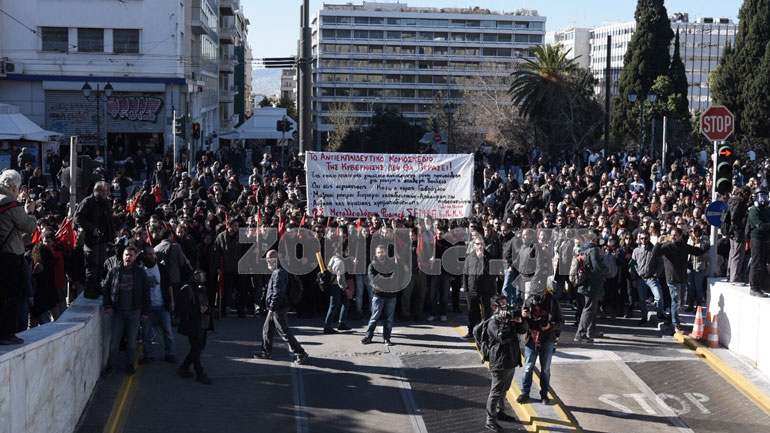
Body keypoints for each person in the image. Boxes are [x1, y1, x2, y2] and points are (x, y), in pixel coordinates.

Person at [0, 169, 38, 345]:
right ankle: (7, 333)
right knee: (16, 293)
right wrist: (30, 212)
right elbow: (28, 226)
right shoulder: (10, 204)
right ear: (14, 188)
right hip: (10, 256)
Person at [102, 246, 151, 376]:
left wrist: (145, 312)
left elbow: (146, 293)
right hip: (117, 312)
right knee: (114, 341)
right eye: (126, 255)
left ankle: (130, 364)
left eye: (131, 255)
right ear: (122, 256)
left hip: (134, 312)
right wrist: (107, 305)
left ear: (135, 257)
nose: (128, 257)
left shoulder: (141, 273)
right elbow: (106, 289)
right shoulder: (114, 271)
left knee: (131, 341)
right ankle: (111, 365)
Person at [484, 294, 529, 432]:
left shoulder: (510, 319)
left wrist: (519, 320)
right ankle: (490, 420)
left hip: (511, 360)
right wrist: (505, 321)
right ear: (495, 308)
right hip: (499, 362)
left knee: (504, 390)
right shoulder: (492, 322)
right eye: (504, 306)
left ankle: (500, 412)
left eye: (507, 304)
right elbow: (501, 337)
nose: (507, 308)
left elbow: (523, 330)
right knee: (496, 392)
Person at [255, 249, 309, 364]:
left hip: (278, 308)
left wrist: (272, 308)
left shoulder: (279, 273)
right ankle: (266, 352)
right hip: (276, 307)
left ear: (275, 259)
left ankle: (301, 353)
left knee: (284, 332)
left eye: (269, 259)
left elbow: (278, 293)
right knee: (267, 329)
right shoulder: (278, 271)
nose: (267, 261)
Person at [653, 227, 708, 334]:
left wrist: (708, 245)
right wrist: (658, 243)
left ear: (680, 236)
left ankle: (669, 320)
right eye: (672, 235)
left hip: (682, 278)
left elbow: (697, 251)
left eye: (675, 235)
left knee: (682, 302)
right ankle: (676, 324)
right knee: (676, 302)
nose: (673, 237)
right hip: (672, 279)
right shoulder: (667, 246)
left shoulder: (684, 246)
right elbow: (655, 253)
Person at [517, 286, 564, 405]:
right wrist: (523, 315)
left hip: (547, 340)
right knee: (528, 368)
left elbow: (561, 321)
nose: (538, 293)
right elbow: (520, 322)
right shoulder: (528, 300)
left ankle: (544, 394)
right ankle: (525, 393)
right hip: (531, 340)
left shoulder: (552, 301)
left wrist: (550, 326)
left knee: (545, 370)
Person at [74, 181, 115, 299]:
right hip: (90, 239)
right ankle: (89, 290)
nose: (105, 193)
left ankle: (97, 287)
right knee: (92, 265)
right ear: (97, 191)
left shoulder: (106, 203)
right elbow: (77, 218)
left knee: (101, 264)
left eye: (106, 191)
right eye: (103, 191)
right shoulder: (88, 202)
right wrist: (92, 229)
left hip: (102, 239)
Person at [139, 245, 177, 365]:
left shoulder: (161, 268)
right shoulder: (140, 270)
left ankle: (170, 354)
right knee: (146, 333)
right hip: (147, 307)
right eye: (149, 254)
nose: (152, 256)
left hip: (162, 304)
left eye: (153, 254)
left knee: (168, 331)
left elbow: (168, 285)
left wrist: (171, 301)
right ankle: (148, 355)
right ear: (144, 255)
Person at [361, 244, 404, 346]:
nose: (380, 254)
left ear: (385, 252)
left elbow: (395, 276)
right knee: (374, 317)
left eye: (382, 252)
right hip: (378, 295)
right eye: (378, 252)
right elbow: (373, 280)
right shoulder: (372, 265)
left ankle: (387, 338)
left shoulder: (393, 263)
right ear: (376, 253)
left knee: (389, 319)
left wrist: (382, 278)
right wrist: (386, 278)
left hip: (391, 295)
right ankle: (368, 336)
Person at [176, 270, 213, 384]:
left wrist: (207, 309)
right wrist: (198, 309)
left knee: (199, 347)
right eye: (200, 276)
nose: (202, 278)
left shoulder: (202, 289)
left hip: (203, 323)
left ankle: (184, 367)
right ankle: (200, 373)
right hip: (193, 324)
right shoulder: (187, 289)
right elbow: (181, 308)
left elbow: (206, 303)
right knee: (197, 347)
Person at [574, 231, 607, 344]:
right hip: (591, 284)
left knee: (592, 307)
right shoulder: (593, 250)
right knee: (589, 309)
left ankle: (591, 330)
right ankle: (581, 333)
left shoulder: (583, 249)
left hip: (585, 283)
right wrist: (606, 269)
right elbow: (596, 267)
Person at [461, 236, 495, 339]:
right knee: (472, 312)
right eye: (477, 244)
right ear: (474, 245)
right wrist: (465, 288)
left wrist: (482, 259)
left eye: (481, 244)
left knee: (486, 313)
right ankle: (471, 331)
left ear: (484, 245)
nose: (479, 246)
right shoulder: (469, 258)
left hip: (486, 290)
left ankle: (488, 333)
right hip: (472, 290)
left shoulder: (489, 257)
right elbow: (465, 273)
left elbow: (492, 273)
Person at [631, 231, 665, 325]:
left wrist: (655, 275)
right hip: (641, 278)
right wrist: (634, 278)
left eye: (645, 238)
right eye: (642, 238)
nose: (643, 240)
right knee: (642, 300)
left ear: (649, 238)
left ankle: (660, 313)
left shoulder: (654, 249)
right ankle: (644, 317)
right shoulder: (636, 250)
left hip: (651, 278)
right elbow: (633, 265)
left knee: (658, 296)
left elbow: (661, 264)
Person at [747, 188, 770, 297]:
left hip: (766, 239)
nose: (763, 199)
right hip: (757, 239)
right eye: (761, 196)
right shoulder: (754, 210)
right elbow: (760, 226)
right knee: (756, 263)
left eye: (765, 196)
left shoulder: (767, 210)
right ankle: (754, 287)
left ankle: (763, 285)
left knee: (763, 263)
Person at [726, 186, 751, 283]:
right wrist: (740, 225)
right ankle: (734, 277)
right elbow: (734, 217)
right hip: (738, 232)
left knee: (732, 254)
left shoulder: (732, 201)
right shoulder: (739, 202)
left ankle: (730, 275)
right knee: (738, 255)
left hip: (733, 232)